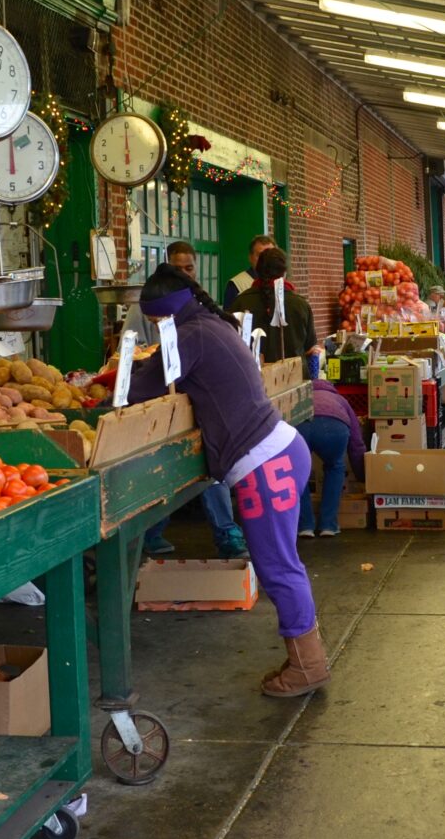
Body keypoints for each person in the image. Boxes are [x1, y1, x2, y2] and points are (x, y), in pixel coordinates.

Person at [128, 263, 330, 696]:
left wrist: (112, 380)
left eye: (154, 321)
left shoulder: (189, 335)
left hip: (263, 465)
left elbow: (140, 390)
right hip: (281, 450)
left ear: (165, 314)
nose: (154, 330)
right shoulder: (209, 325)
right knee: (284, 564)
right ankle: (302, 655)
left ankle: (308, 666)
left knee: (278, 568)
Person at [141, 240, 248, 560]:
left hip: (220, 428)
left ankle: (227, 534)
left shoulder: (193, 327)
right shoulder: (196, 317)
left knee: (199, 470)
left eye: (189, 268)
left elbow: (152, 380)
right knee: (170, 468)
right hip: (202, 417)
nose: (185, 273)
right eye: (179, 268)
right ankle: (153, 533)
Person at [297, 380, 366, 538]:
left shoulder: (300, 398)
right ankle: (328, 525)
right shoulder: (340, 400)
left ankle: (305, 526)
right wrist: (363, 476)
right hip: (335, 428)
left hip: (301, 427)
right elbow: (356, 443)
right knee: (334, 466)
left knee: (298, 473)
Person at [231, 246, 319, 364]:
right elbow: (310, 350)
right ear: (284, 273)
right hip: (296, 379)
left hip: (254, 379)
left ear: (257, 271)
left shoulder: (240, 303)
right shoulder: (301, 305)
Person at [223, 234, 276, 309]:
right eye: (260, 255)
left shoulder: (281, 283)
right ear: (250, 257)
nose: (265, 259)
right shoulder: (236, 284)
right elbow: (229, 318)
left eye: (270, 255)